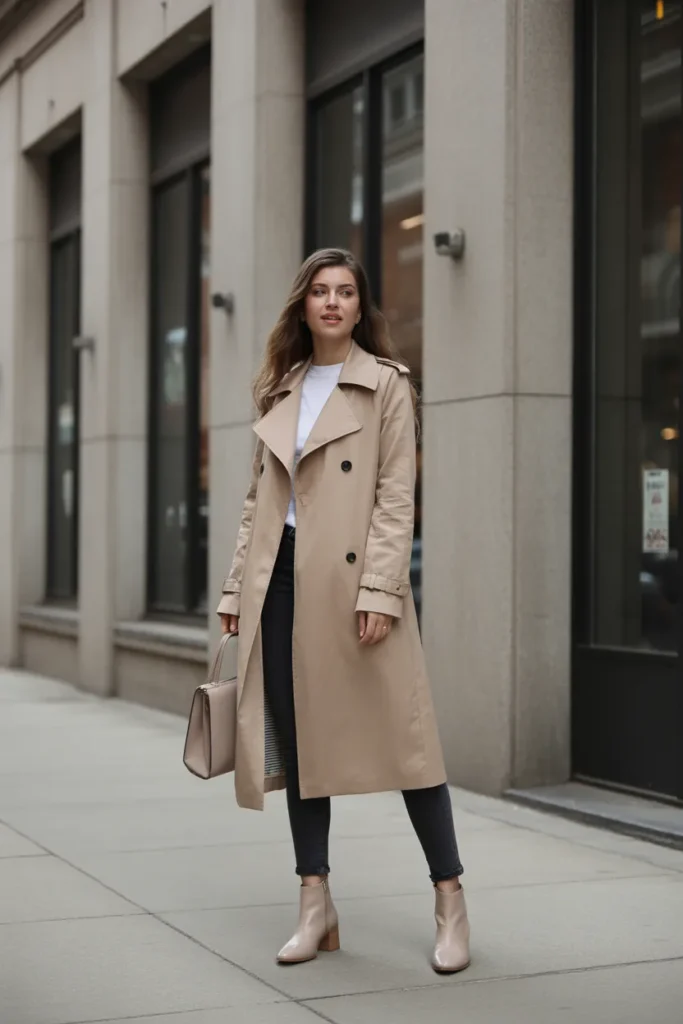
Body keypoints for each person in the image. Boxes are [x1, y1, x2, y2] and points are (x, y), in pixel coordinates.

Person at [217, 247, 470, 972]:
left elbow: (396, 496)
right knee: (302, 757)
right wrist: (237, 590)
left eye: (345, 292)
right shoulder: (278, 388)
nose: (331, 302)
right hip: (284, 583)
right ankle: (315, 903)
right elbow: (255, 504)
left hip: (357, 587)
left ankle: (449, 900)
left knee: (409, 745)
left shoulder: (385, 384)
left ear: (361, 308)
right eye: (320, 291)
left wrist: (382, 591)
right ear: (303, 305)